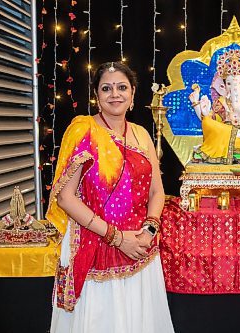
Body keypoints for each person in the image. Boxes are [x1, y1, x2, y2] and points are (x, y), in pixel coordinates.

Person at [47, 62, 174, 333]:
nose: (114, 94)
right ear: (96, 94)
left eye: (121, 87)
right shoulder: (84, 131)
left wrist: (149, 230)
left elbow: (157, 191)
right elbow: (66, 199)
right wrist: (116, 238)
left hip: (140, 244)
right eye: (106, 88)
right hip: (96, 243)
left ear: (133, 93)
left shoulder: (141, 134)